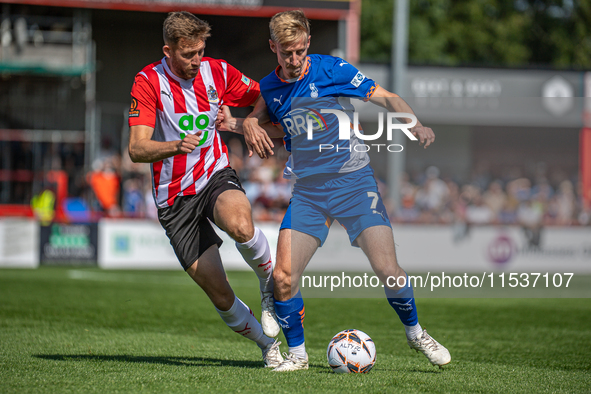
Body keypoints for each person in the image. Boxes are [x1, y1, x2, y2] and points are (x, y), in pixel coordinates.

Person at [217, 10, 451, 371]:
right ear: (272, 48)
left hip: (354, 184)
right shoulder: (269, 88)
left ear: (308, 43)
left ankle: (416, 333)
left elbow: (386, 97)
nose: (293, 60)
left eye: (298, 51)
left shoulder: (333, 70)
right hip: (309, 192)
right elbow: (280, 129)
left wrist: (414, 123)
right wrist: (237, 123)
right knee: (282, 277)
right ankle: (297, 355)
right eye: (285, 53)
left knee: (389, 270)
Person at [127, 11, 282, 367]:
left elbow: (267, 94)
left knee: (240, 223)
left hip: (213, 173)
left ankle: (268, 289)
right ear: (168, 51)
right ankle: (267, 346)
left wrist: (251, 122)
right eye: (187, 54)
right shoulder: (148, 82)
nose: (196, 60)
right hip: (174, 199)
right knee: (219, 291)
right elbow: (137, 149)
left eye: (200, 51)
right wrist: (175, 145)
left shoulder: (218, 71)